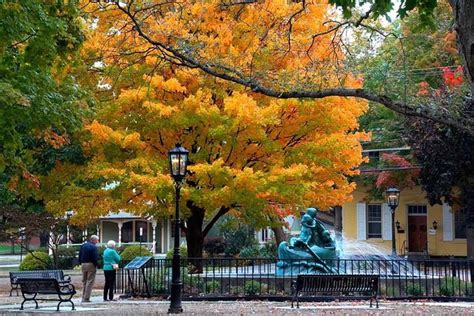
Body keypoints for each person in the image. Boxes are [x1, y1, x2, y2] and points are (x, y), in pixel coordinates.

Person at [79, 235, 99, 303]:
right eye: (97, 240)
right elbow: (94, 258)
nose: (97, 242)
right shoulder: (94, 247)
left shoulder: (83, 245)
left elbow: (80, 255)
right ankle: (86, 298)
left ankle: (83, 296)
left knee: (84, 281)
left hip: (83, 264)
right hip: (91, 264)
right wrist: (96, 265)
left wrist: (80, 263)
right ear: (94, 240)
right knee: (90, 281)